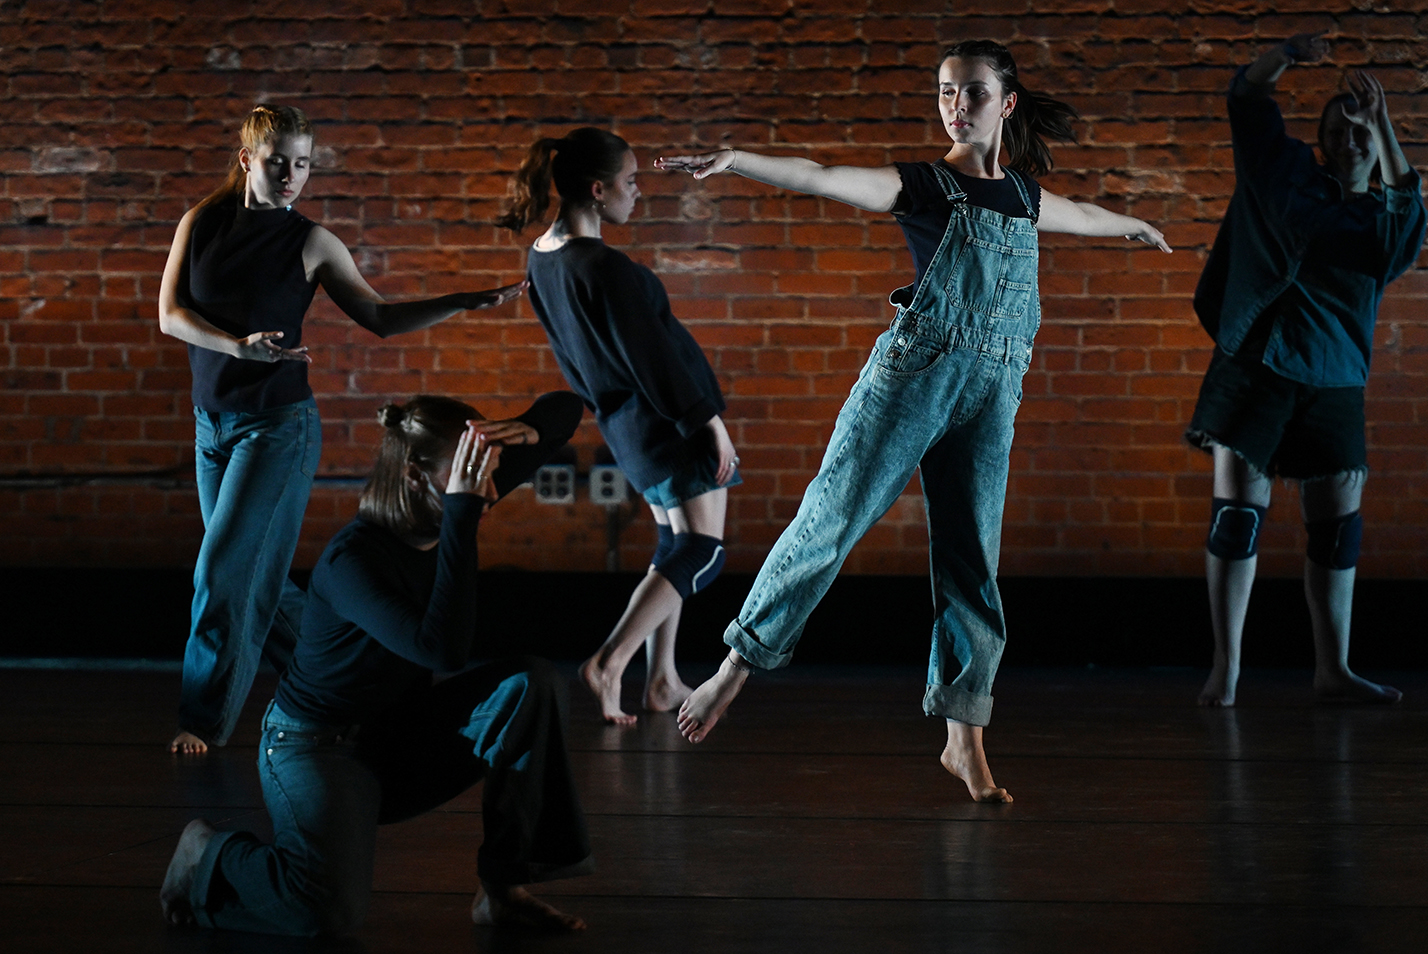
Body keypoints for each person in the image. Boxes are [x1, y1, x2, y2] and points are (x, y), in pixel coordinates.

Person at [658, 40, 1171, 802]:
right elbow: (826, 178)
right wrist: (736, 159)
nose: (955, 106)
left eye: (970, 93)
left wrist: (1133, 224)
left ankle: (965, 739)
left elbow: (1084, 216)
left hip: (992, 395)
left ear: (1006, 105)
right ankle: (734, 669)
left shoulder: (1025, 198)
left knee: (972, 560)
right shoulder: (926, 185)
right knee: (829, 524)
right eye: (944, 93)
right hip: (912, 382)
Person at [158, 104, 527, 755]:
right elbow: (170, 315)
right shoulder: (203, 222)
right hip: (211, 425)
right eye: (279, 163)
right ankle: (361, 683)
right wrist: (238, 347)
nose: (293, 176)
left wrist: (459, 301)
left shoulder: (311, 242)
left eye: (303, 164)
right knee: (256, 585)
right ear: (247, 159)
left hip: (277, 432)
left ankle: (202, 720)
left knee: (221, 574)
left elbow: (378, 318)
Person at [159, 391, 594, 935]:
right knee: (326, 914)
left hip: (398, 739)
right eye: (467, 471)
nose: (484, 485)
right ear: (415, 477)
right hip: (316, 749)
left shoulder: (457, 495)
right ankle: (209, 855)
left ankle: (502, 892)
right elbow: (441, 650)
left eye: (482, 468)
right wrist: (461, 514)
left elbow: (567, 409)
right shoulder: (355, 560)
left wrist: (524, 429)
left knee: (532, 683)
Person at [1185, 34, 1425, 707]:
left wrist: (1379, 121)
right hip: (1254, 365)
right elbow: (1248, 96)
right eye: (1337, 131)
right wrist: (1285, 55)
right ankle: (1226, 671)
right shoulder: (1284, 174)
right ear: (1318, 141)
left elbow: (1409, 210)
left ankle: (1333, 669)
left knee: (1337, 527)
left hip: (1334, 376)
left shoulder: (1384, 220)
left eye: (1360, 133)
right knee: (1237, 518)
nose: (1347, 142)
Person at [496, 128, 740, 726]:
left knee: (673, 545)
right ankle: (610, 663)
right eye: (631, 183)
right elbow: (651, 356)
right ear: (599, 190)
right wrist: (707, 421)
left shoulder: (544, 257)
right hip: (664, 424)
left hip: (626, 427)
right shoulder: (605, 267)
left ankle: (661, 679)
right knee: (702, 552)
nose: (638, 193)